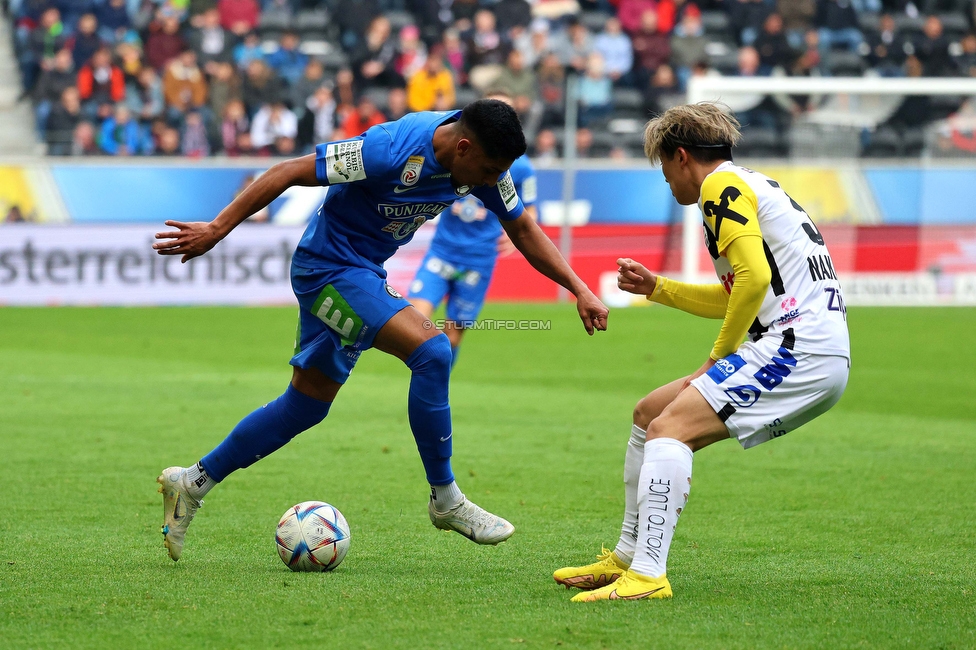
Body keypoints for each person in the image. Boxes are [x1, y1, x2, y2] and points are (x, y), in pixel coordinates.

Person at [153, 100, 609, 562]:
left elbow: (523, 227)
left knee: (305, 406)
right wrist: (217, 228)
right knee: (433, 351)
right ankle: (445, 499)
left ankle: (191, 482)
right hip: (327, 272)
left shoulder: (481, 167)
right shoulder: (387, 150)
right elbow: (287, 171)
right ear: (465, 146)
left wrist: (579, 289)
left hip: (361, 273)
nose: (492, 181)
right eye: (490, 169)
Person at [554, 102, 850, 601]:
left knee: (671, 429)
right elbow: (745, 291)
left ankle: (648, 574)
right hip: (801, 344)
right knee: (650, 414)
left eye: (665, 168)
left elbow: (753, 278)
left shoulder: (719, 187)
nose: (668, 184)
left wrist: (715, 359)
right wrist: (658, 289)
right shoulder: (750, 185)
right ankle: (627, 556)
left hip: (798, 348)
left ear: (682, 157)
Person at [408, 91, 538, 368]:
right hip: (443, 249)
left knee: (452, 336)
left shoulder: (521, 167)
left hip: (479, 257)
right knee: (417, 323)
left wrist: (515, 239)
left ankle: (436, 381)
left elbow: (530, 210)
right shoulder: (459, 149)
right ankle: (428, 373)